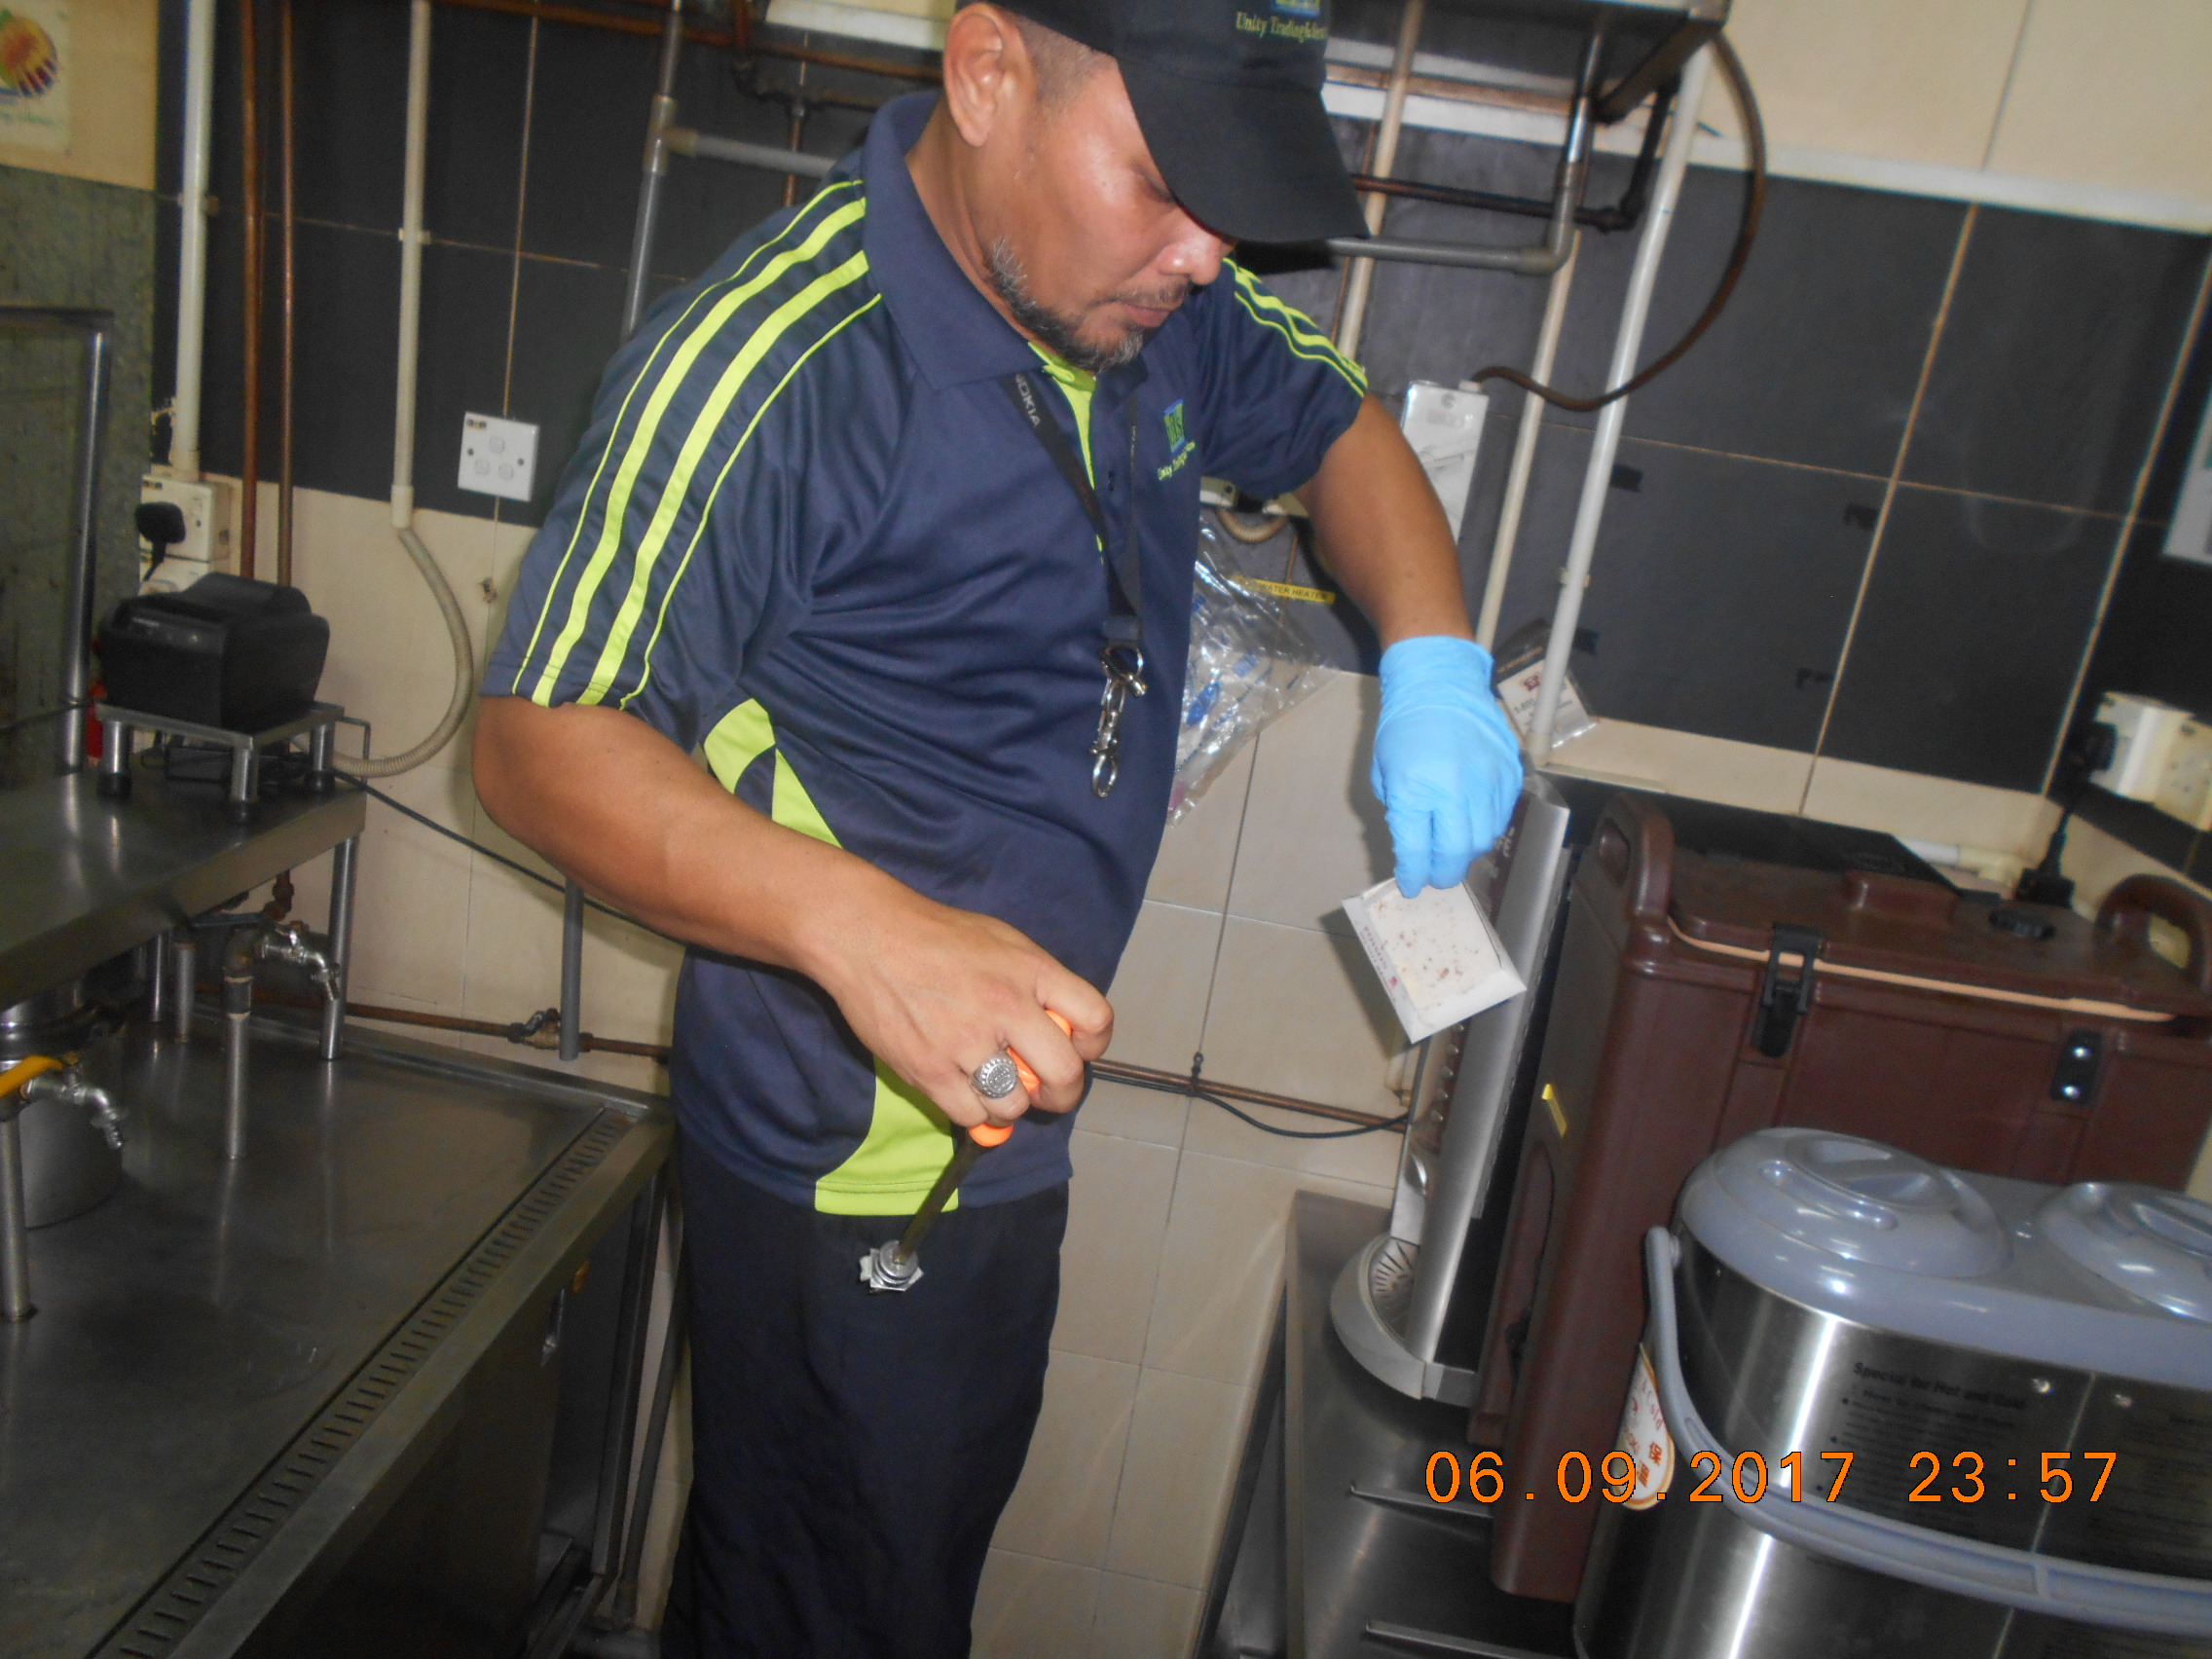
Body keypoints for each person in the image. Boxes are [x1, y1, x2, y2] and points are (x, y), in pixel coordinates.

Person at [472, 0, 1523, 1651]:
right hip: (852, 1153)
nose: (1204, 254)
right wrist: (865, 929)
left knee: (886, 1586)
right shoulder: (774, 363)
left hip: (1004, 1119)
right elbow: (536, 739)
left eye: (1228, 210)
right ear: (985, 76)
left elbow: (1339, 429)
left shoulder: (1152, 301)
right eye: (1163, 183)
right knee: (827, 1609)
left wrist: (1436, 657)